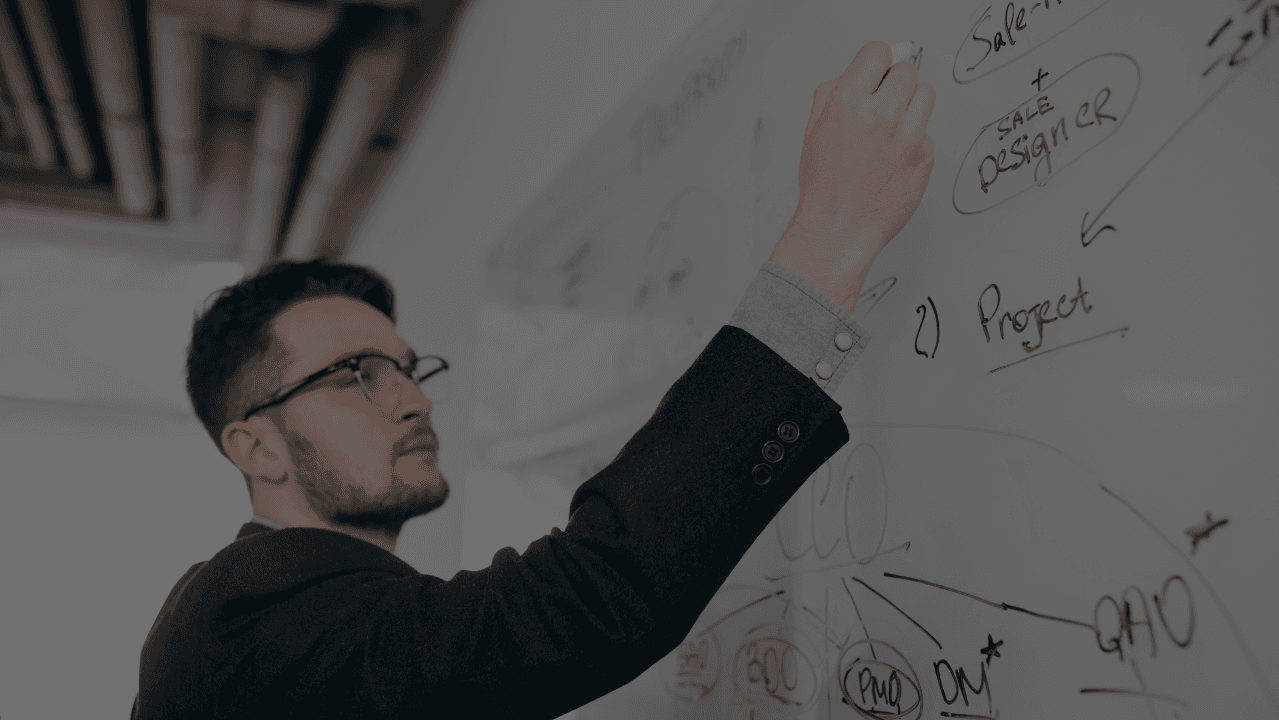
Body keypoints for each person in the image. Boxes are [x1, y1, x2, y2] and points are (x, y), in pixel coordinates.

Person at [131, 41, 934, 719]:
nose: (414, 398)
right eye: (357, 375)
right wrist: (831, 230)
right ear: (256, 446)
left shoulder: (321, 617)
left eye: (410, 371)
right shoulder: (248, 603)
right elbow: (581, 600)